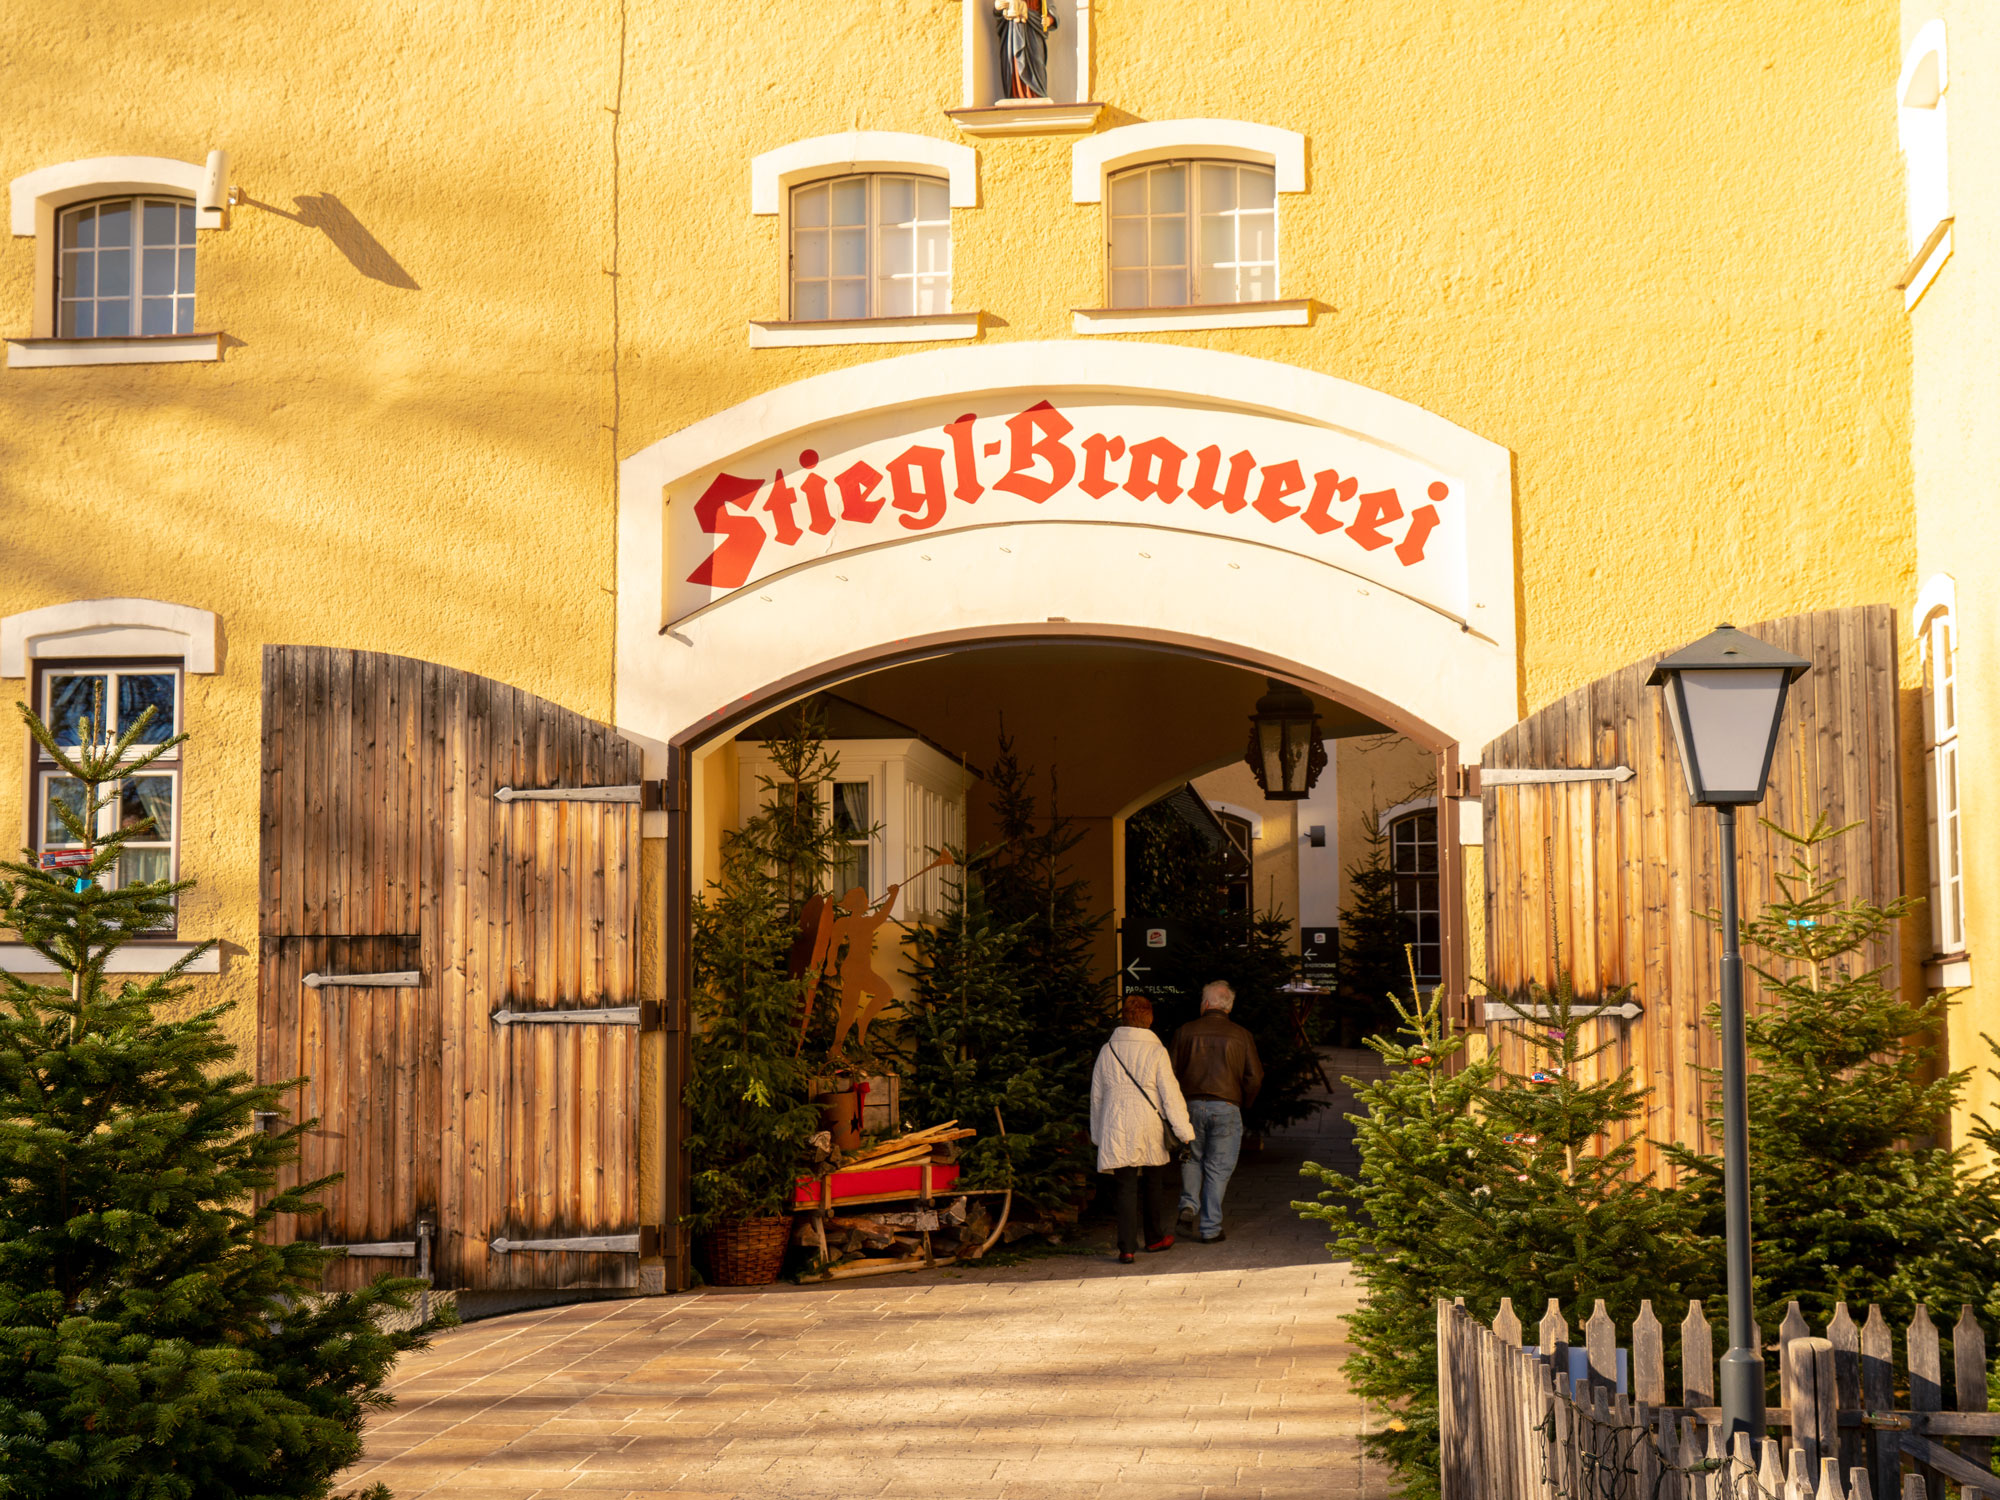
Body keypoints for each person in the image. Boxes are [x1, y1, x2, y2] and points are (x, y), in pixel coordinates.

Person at [1089, 993, 1195, 1264]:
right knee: (1153, 1183)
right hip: (1148, 1124)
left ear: (1124, 1018)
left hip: (1116, 1123)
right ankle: (1155, 1238)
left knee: (1125, 1186)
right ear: (1149, 1018)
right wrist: (1185, 1132)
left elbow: (1097, 1097)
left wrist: (1098, 1134)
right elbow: (1170, 1095)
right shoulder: (1156, 1051)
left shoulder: (1107, 1050)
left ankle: (1126, 1248)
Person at [1170, 980, 1264, 1244]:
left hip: (1189, 1105)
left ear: (1207, 1004)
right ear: (1228, 1006)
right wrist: (1242, 1102)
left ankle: (1188, 1206)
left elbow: (1170, 1073)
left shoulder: (1185, 1031)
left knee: (1191, 1158)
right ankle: (1210, 1228)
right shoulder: (1241, 1035)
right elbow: (1254, 1077)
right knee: (1218, 1168)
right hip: (1226, 1106)